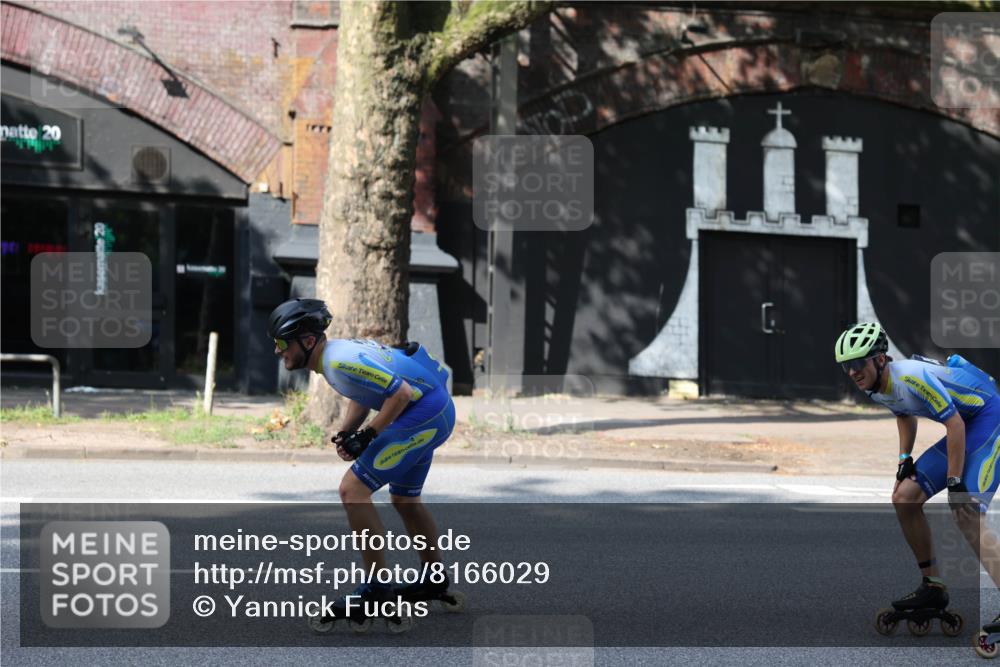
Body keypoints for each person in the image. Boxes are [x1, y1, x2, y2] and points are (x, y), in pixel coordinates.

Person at [267, 298, 459, 628]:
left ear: (308, 341)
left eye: (282, 343)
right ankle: (434, 578)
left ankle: (377, 588)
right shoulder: (334, 357)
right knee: (405, 500)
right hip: (433, 409)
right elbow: (365, 391)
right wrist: (347, 431)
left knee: (352, 490)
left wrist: (368, 434)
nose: (277, 350)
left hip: (423, 413)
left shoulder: (338, 362)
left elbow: (399, 393)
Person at [834, 322, 1000, 639]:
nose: (853, 372)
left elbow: (954, 426)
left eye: (857, 363)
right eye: (846, 367)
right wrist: (903, 458)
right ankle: (933, 586)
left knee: (966, 514)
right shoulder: (875, 386)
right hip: (965, 423)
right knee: (904, 497)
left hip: (989, 418)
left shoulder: (910, 376)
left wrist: (954, 482)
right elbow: (903, 413)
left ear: (880, 359)